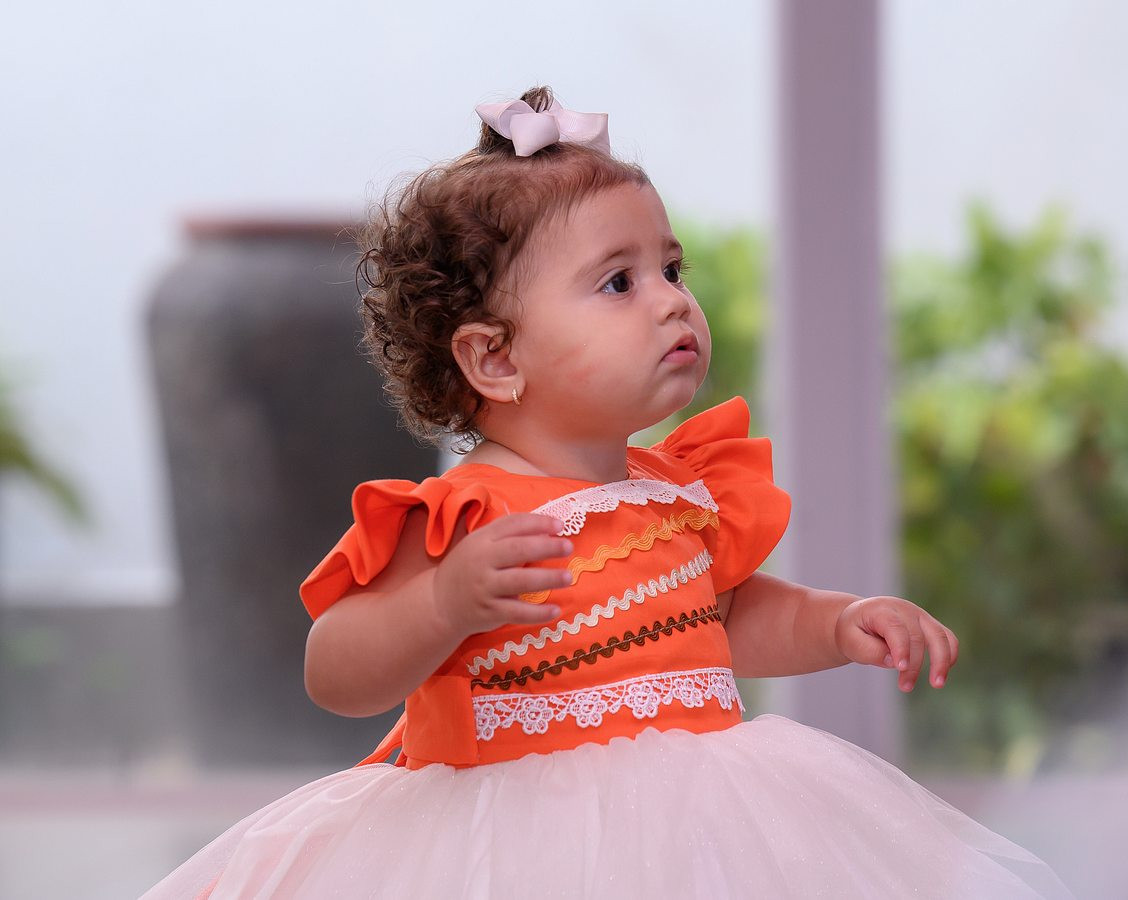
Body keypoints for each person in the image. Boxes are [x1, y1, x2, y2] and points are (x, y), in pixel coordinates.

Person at [143, 86, 1075, 899]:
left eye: (672, 269)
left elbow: (722, 621)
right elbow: (335, 669)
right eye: (619, 282)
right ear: (494, 357)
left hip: (699, 830)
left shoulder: (675, 493)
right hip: (508, 848)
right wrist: (442, 603)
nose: (671, 299)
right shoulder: (464, 518)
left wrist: (837, 622)